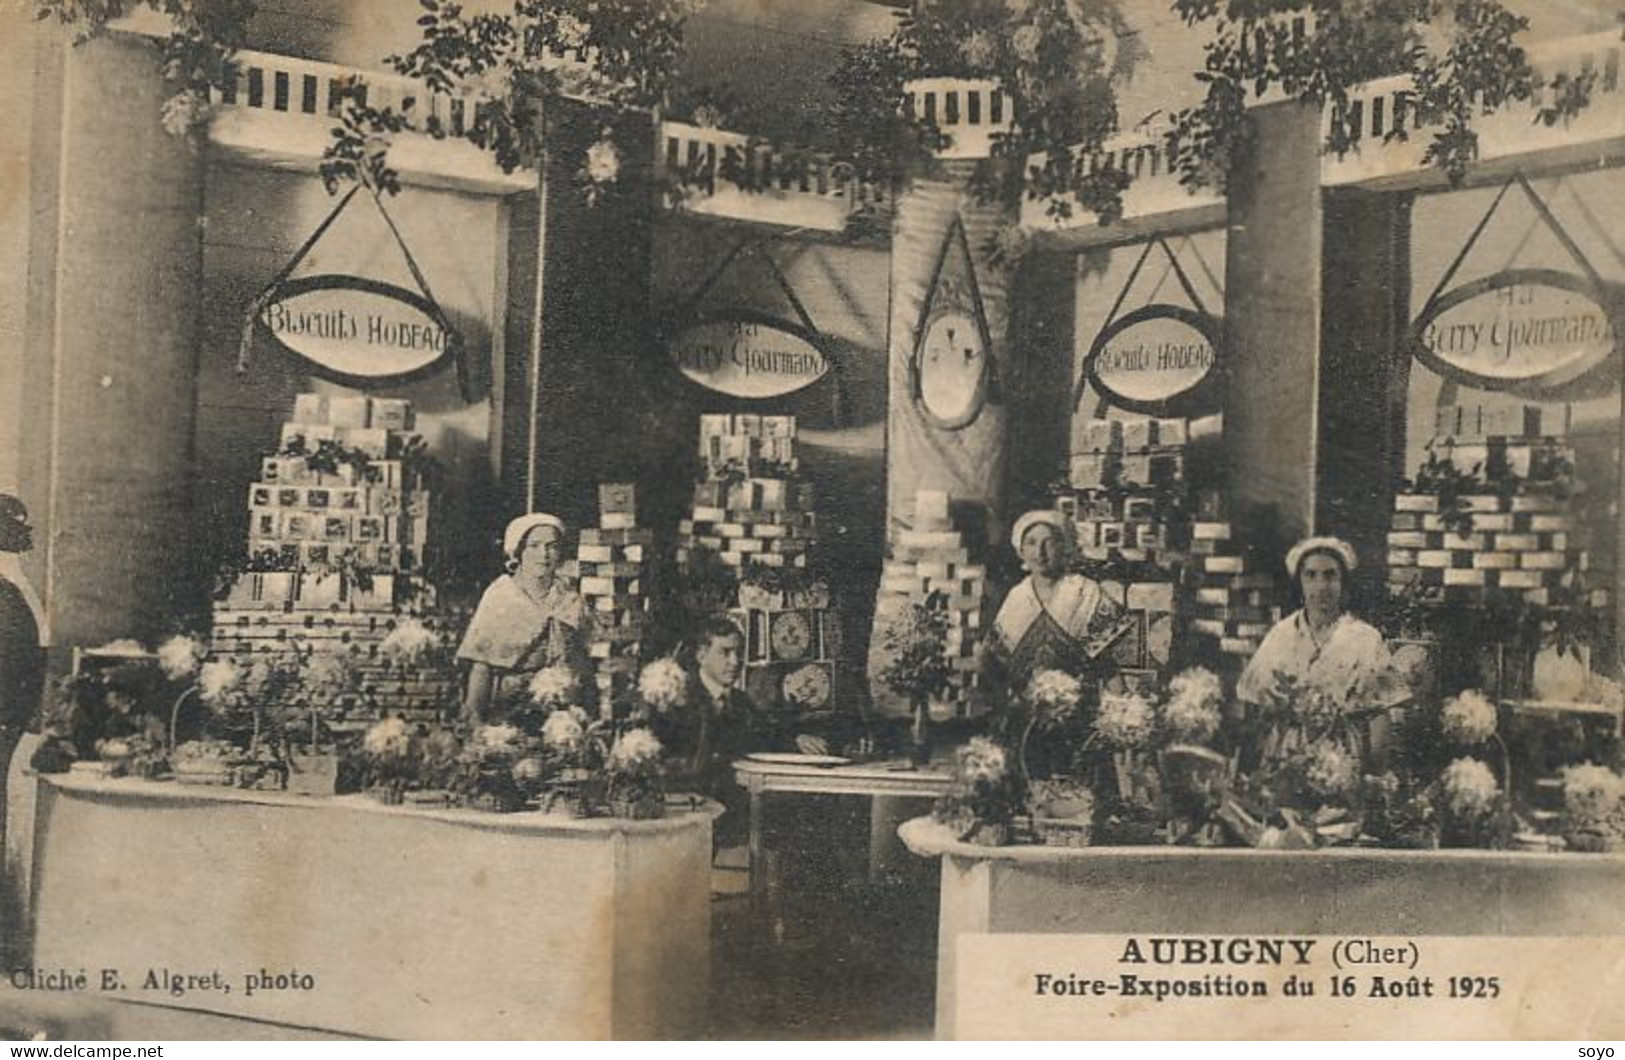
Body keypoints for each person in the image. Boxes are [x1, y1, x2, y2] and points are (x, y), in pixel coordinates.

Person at [1236, 536, 1408, 763]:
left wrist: (1372, 770)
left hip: (1343, 757)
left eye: (1330, 575)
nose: (1321, 586)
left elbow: (1379, 715)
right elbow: (1256, 706)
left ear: (1343, 582)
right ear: (1300, 582)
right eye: (1310, 575)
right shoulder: (1281, 634)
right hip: (1287, 754)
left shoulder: (1365, 638)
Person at [657, 618, 826, 841]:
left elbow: (766, 736)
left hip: (731, 808)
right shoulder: (678, 699)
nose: (735, 662)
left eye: (739, 653)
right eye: (725, 653)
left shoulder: (740, 702)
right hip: (689, 814)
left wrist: (796, 739)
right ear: (701, 656)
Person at [458, 513, 588, 724]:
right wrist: (475, 716)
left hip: (560, 708)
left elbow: (581, 661)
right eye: (534, 546)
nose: (544, 555)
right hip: (508, 708)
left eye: (552, 546)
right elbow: (481, 664)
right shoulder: (501, 596)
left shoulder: (570, 598)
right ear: (518, 551)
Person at [983, 510, 1126, 694]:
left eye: (1049, 542)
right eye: (1031, 543)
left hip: (1078, 702)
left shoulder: (1086, 591)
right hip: (1025, 706)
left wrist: (1120, 706)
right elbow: (996, 660)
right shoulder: (1017, 596)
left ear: (1064, 546)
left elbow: (1109, 666)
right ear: (1021, 550)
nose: (1040, 552)